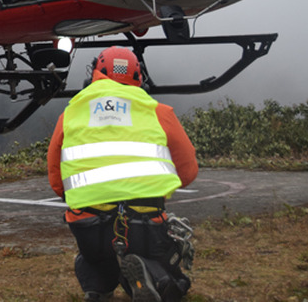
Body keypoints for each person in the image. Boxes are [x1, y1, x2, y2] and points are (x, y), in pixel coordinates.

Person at [47, 47, 198, 302]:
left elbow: (55, 177)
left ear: (93, 77)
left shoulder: (70, 114)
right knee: (167, 270)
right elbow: (188, 171)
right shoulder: (159, 112)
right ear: (140, 80)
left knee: (92, 257)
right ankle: (152, 277)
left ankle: (97, 288)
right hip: (145, 222)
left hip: (88, 224)